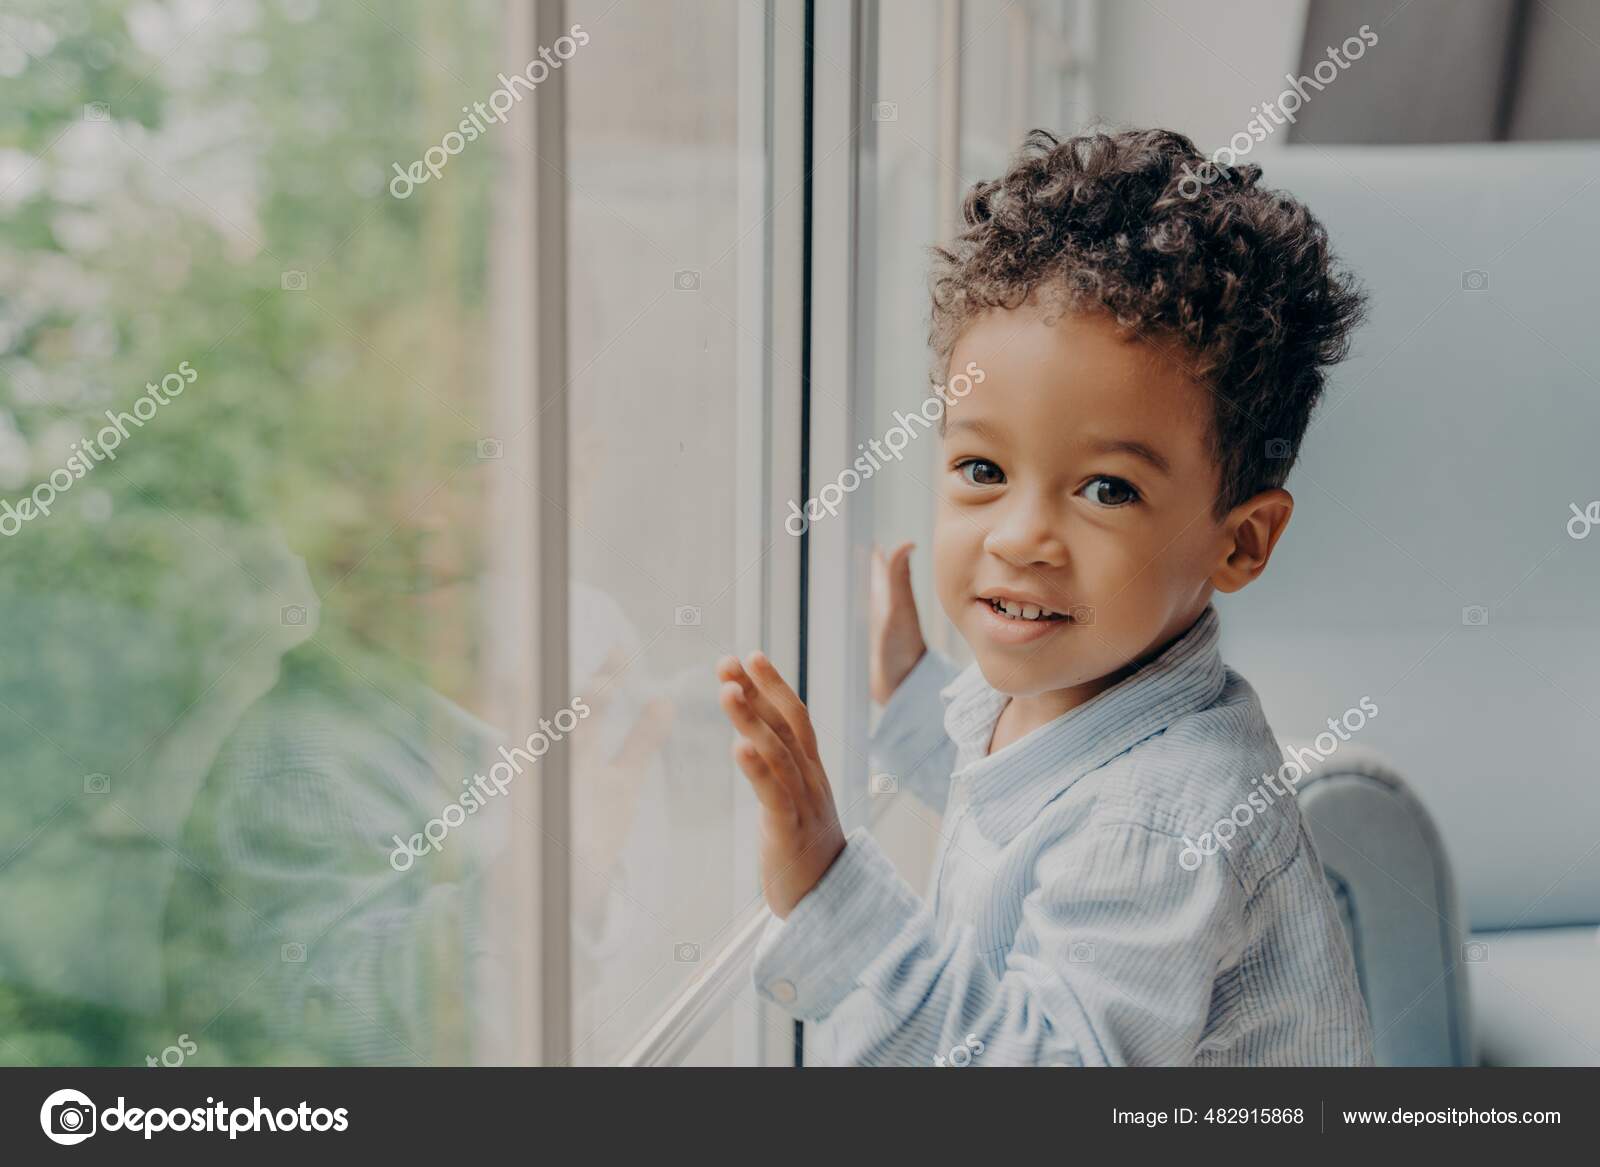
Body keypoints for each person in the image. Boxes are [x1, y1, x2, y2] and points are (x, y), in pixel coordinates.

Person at [714, 128, 1373, 1066]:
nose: (1019, 536)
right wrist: (909, 691)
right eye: (982, 467)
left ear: (1240, 539)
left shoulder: (1162, 821)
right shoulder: (1082, 683)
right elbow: (1023, 807)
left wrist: (831, 890)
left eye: (1107, 489)